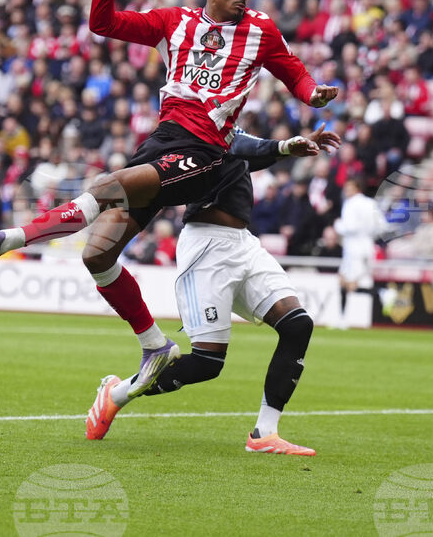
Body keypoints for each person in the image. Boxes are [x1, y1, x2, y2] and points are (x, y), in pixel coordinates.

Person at [0, 0, 338, 400]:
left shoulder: (262, 30)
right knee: (97, 257)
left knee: (111, 185)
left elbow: (294, 72)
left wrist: (312, 93)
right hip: (161, 144)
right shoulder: (173, 21)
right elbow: (102, 23)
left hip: (205, 151)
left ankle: (7, 240)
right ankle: (153, 345)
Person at [86, 124, 342, 455]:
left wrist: (289, 148)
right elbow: (241, 145)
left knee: (297, 325)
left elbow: (247, 153)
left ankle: (264, 434)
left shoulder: (230, 131)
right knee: (207, 363)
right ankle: (117, 393)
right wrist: (284, 146)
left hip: (243, 243)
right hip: (207, 246)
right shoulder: (202, 129)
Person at [334, 178, 388, 315]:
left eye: (349, 187)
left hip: (353, 248)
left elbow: (349, 227)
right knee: (343, 281)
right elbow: (382, 226)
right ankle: (341, 318)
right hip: (367, 246)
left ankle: (384, 293)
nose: (346, 191)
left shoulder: (351, 203)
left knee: (350, 285)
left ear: (357, 188)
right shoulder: (371, 203)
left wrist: (338, 225)